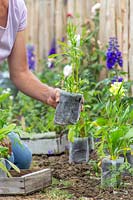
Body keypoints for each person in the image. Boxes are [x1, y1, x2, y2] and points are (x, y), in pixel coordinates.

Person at [0, 0, 60, 169]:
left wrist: (49, 94)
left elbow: (20, 73)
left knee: (21, 158)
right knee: (5, 161)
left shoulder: (16, 7)